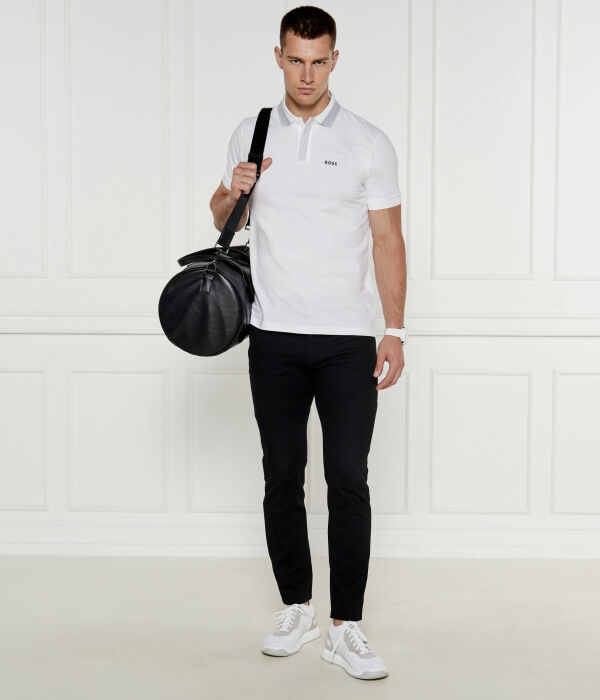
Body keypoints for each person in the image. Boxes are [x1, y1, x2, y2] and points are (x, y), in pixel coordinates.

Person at [209, 5, 406, 682]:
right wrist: (233, 190)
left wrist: (395, 330)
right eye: (296, 59)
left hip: (348, 339)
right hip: (273, 335)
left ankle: (346, 626)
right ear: (279, 56)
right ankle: (296, 606)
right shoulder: (252, 131)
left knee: (348, 478)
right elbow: (222, 218)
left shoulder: (367, 141)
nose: (307, 74)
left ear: (334, 61)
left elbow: (387, 239)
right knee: (281, 475)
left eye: (319, 61)